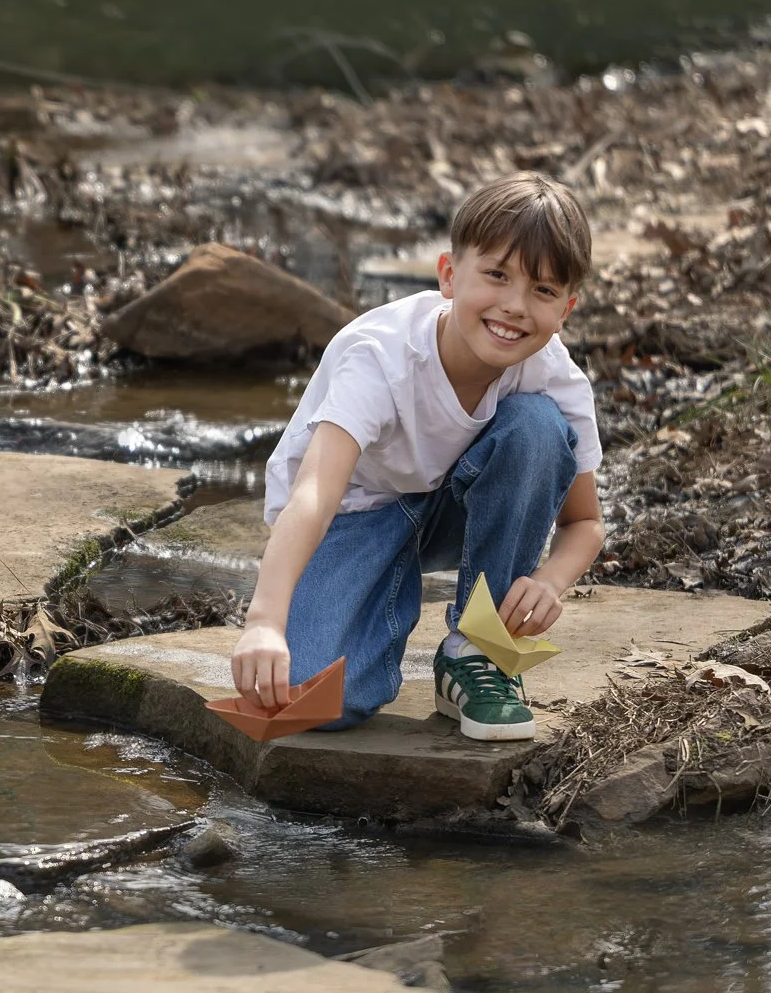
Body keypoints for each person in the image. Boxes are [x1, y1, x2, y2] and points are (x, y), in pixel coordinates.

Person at [231, 171, 605, 740]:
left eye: (543, 291)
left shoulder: (554, 375)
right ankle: (376, 593)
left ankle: (476, 653)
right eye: (497, 275)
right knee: (317, 699)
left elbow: (586, 523)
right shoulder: (381, 358)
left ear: (566, 309)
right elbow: (315, 494)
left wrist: (551, 581)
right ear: (449, 275)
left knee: (537, 427)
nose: (514, 307)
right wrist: (264, 620)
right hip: (356, 515)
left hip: (454, 507)